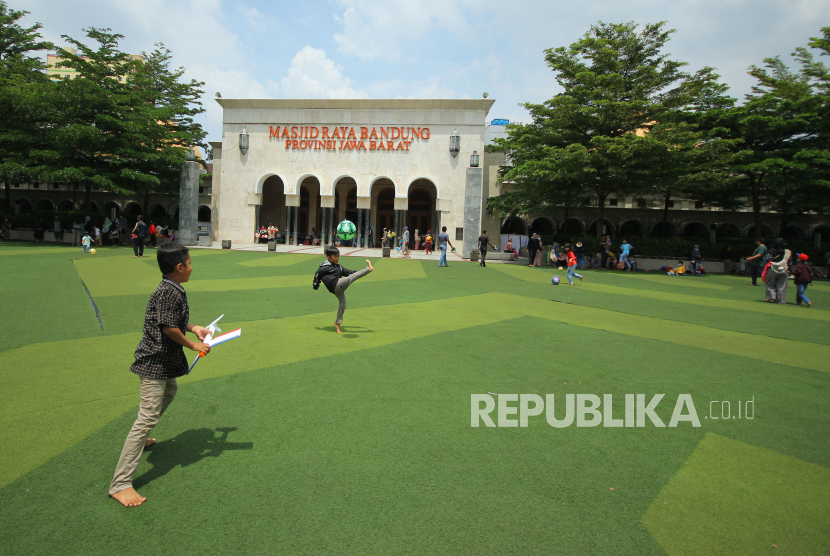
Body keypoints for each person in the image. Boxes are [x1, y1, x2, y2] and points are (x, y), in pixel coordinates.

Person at [108, 242, 211, 507]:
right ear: (179, 267)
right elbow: (167, 327)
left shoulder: (172, 288)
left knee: (170, 392)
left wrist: (194, 327)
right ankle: (120, 483)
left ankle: (141, 441)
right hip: (155, 362)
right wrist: (193, 344)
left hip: (165, 361)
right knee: (147, 415)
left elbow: (174, 320)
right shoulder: (168, 293)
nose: (191, 266)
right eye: (189, 263)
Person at [313, 246, 374, 334]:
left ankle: (337, 323)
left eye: (338, 256)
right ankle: (368, 269)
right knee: (351, 278)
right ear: (329, 257)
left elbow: (349, 272)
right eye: (335, 256)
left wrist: (357, 273)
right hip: (337, 285)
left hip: (339, 289)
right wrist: (315, 285)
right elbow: (317, 274)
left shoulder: (339, 267)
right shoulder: (324, 267)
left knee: (343, 304)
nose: (337, 258)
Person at [765, 238, 791, 304]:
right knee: (782, 285)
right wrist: (789, 269)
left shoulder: (772, 250)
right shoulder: (787, 252)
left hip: (773, 268)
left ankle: (772, 297)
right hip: (784, 270)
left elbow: (767, 259)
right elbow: (790, 261)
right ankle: (781, 300)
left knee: (770, 284)